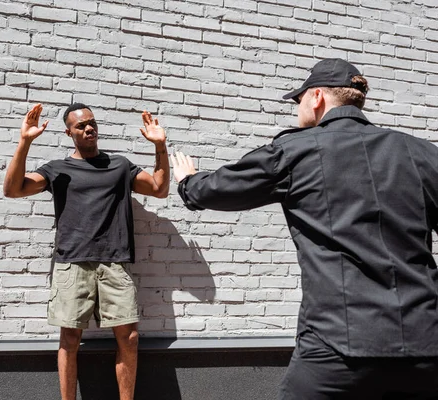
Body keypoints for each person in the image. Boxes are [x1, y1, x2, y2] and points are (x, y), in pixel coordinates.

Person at [171, 58, 438, 399]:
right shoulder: (421, 153)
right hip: (424, 347)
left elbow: (219, 190)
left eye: (298, 100)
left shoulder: (297, 150)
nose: (297, 108)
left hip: (338, 348)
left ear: (317, 98)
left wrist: (189, 182)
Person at [3, 103, 170, 400]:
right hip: (73, 263)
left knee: (129, 338)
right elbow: (13, 190)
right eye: (81, 126)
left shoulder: (119, 166)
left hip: (114, 263)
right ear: (69, 132)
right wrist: (25, 142)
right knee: (69, 339)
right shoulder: (58, 170)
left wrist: (160, 147)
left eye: (92, 123)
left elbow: (159, 188)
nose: (89, 128)